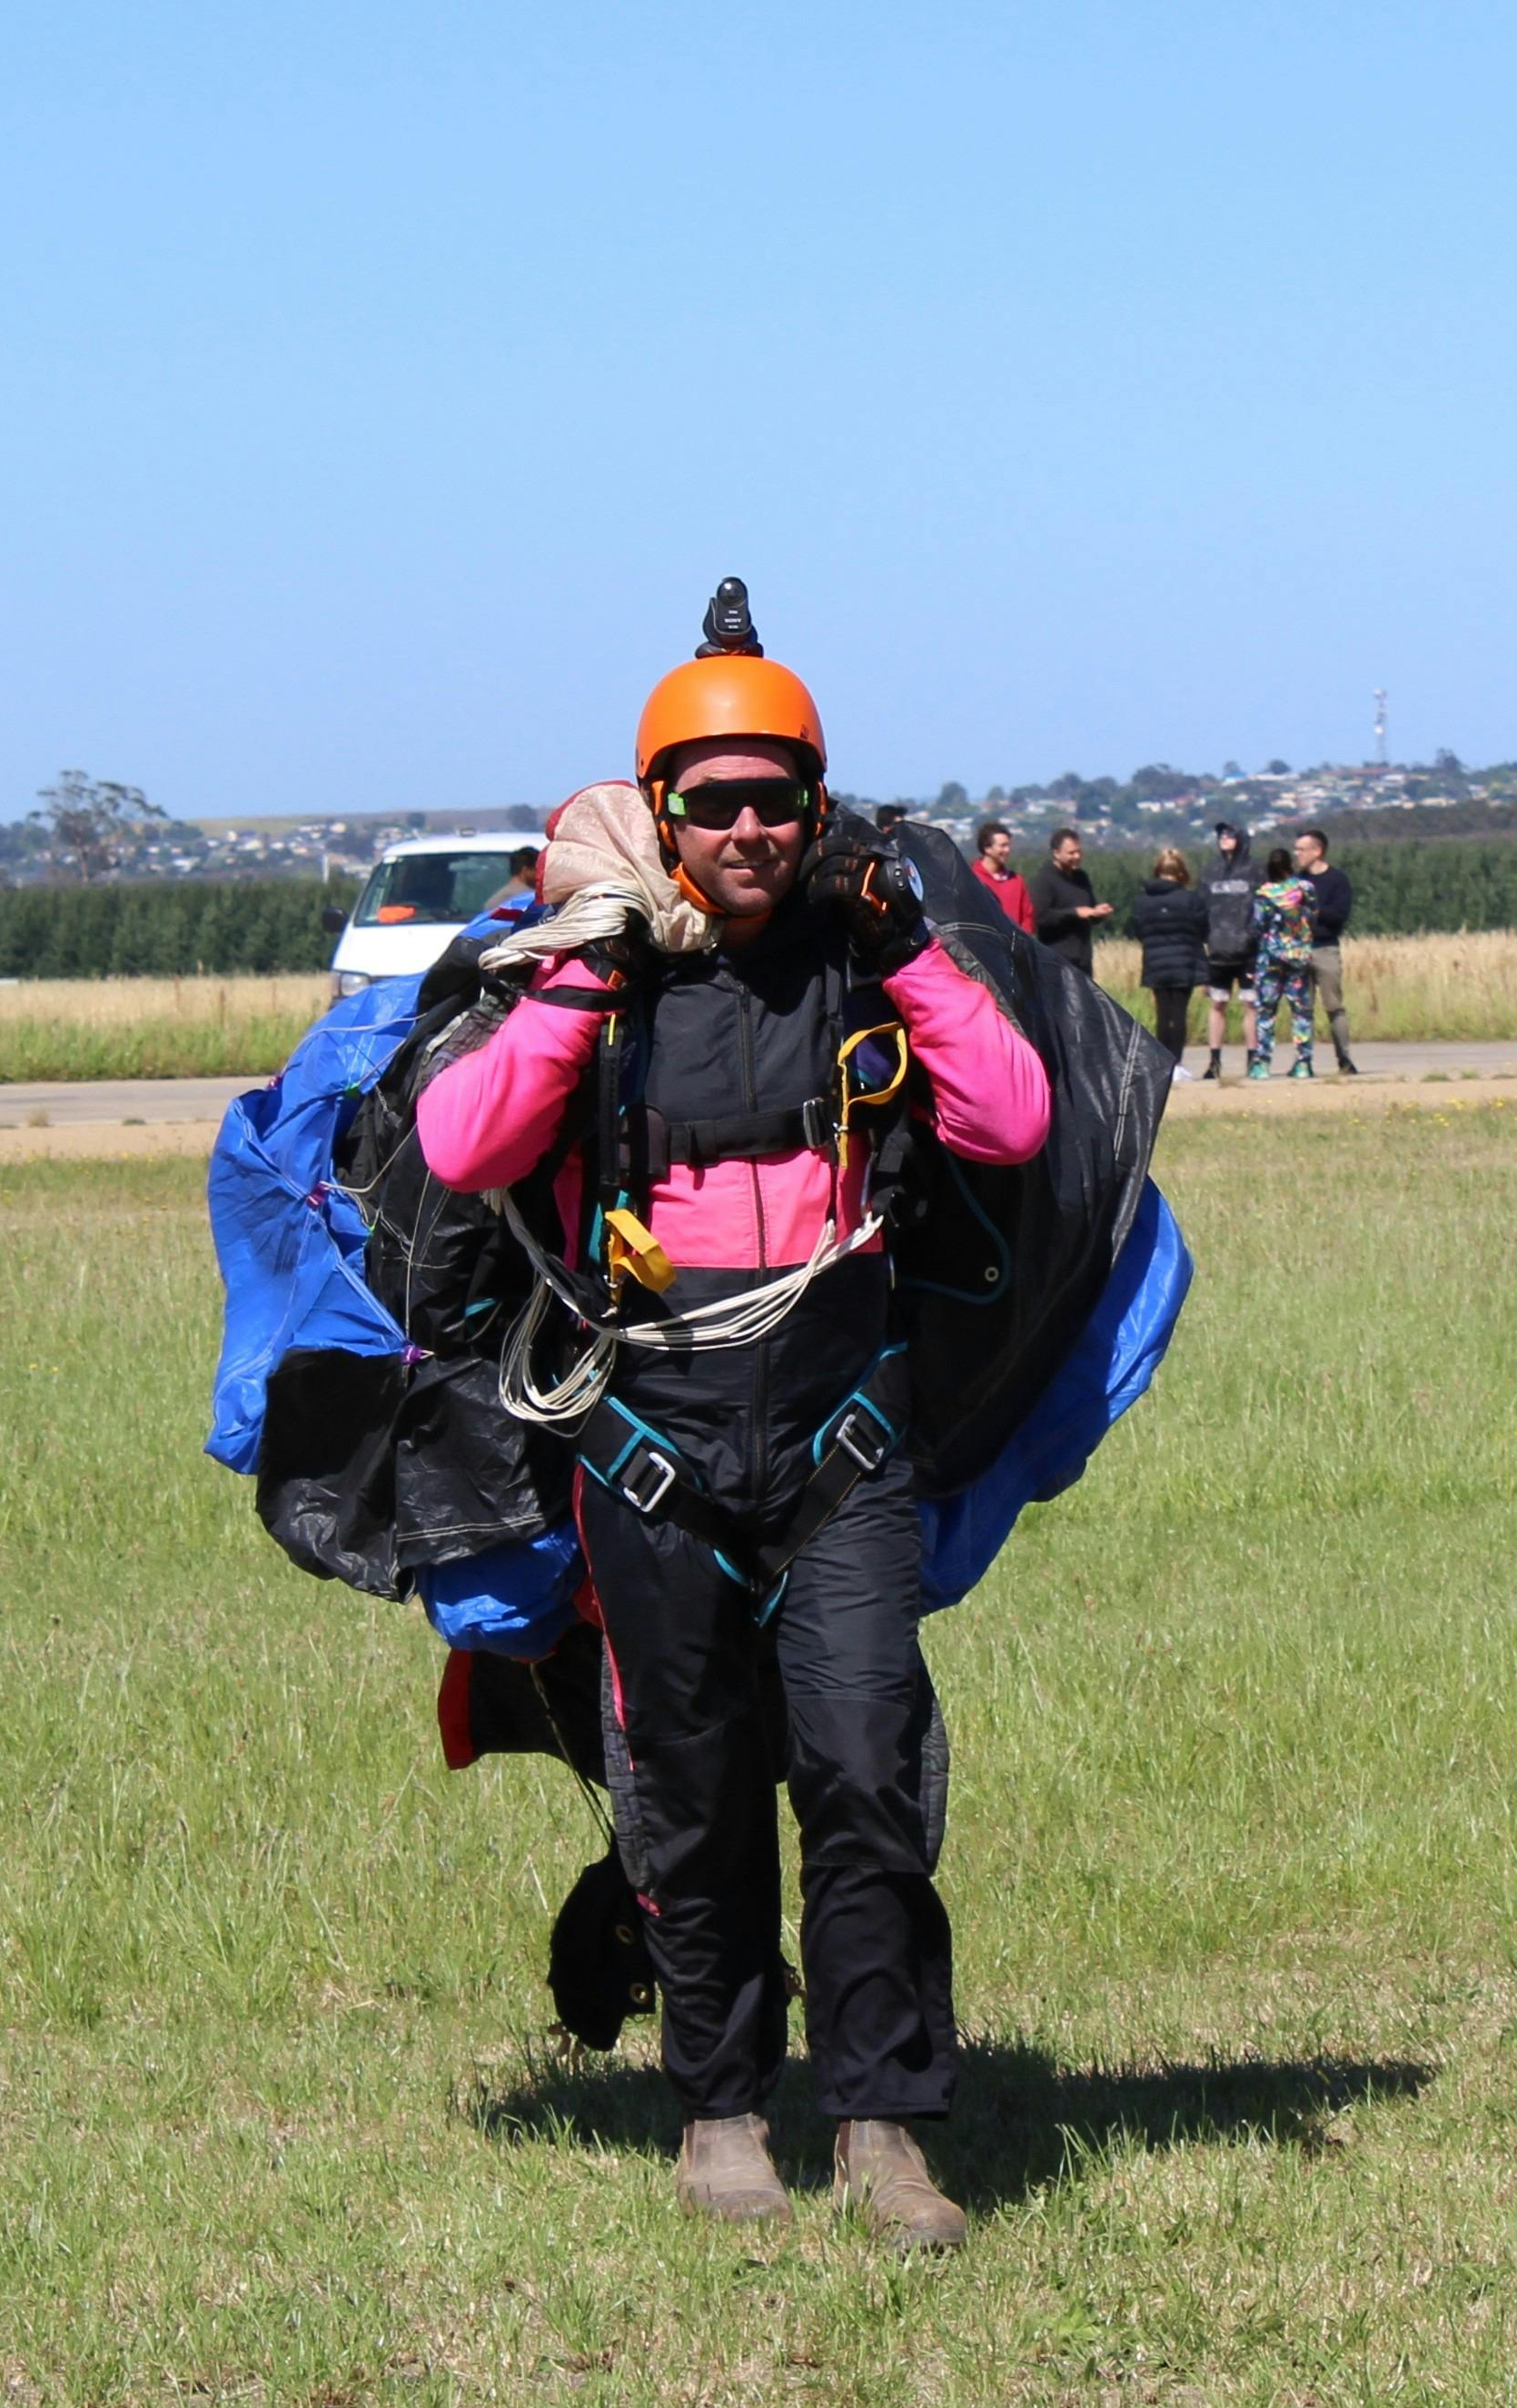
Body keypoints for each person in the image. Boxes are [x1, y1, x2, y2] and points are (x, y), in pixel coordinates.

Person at [414, 604, 1048, 2252]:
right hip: (651, 1440)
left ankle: (887, 2130)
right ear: (662, 810)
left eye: (777, 800)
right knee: (687, 1792)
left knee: (862, 1771)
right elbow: (468, 1144)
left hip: (840, 1441)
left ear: (817, 809)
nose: (748, 830)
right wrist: (583, 967)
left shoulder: (864, 953)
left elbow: (1013, 1112)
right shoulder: (602, 979)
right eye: (714, 804)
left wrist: (902, 940)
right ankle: (717, 2112)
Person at [1132, 845, 1208, 1080]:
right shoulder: (1190, 899)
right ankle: (1178, 1063)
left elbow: (1138, 930)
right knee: (1179, 1014)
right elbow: (1203, 929)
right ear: (1182, 872)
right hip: (1185, 962)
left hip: (1155, 962)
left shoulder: (1143, 902)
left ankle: (1164, 1063)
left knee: (1163, 1015)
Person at [1196, 822, 1259, 1080]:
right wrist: (1203, 946)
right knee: (1217, 1004)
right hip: (1217, 951)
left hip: (1249, 952)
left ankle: (1254, 1061)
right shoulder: (1210, 871)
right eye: (1221, 834)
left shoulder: (1255, 870)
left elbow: (1263, 906)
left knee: (1251, 1005)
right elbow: (1199, 911)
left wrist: (1254, 938)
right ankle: (1214, 1062)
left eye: (1230, 834)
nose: (1224, 838)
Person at [1294, 828, 1360, 1076]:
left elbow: (1338, 915)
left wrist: (1312, 910)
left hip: (1326, 949)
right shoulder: (1297, 881)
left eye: (1302, 849)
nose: (1297, 854)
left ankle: (1344, 1057)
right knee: (1302, 1008)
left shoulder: (1337, 880)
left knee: (1334, 1005)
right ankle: (1303, 1060)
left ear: (1317, 850)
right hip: (1300, 949)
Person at [1248, 844, 1317, 1079]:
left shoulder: (1264, 894)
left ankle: (1262, 1064)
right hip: (1299, 956)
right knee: (1301, 1012)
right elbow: (1313, 915)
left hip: (1270, 958)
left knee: (1266, 1011)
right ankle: (1303, 1063)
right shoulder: (1305, 889)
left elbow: (1257, 927)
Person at [1026, 827, 1113, 977]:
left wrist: (1098, 913)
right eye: (1071, 853)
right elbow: (1041, 917)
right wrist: (1074, 913)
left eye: (1079, 852)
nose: (1077, 856)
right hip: (1057, 959)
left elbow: (1089, 910)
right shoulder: (1045, 880)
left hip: (1083, 959)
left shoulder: (1081, 878)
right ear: (1056, 853)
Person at [970, 821, 1035, 932]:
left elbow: (1027, 916)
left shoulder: (1017, 881)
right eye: (1003, 846)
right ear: (987, 848)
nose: (1007, 850)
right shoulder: (971, 880)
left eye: (1008, 845)